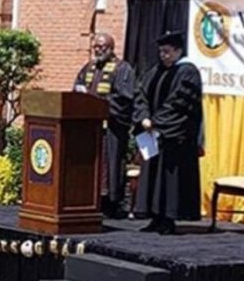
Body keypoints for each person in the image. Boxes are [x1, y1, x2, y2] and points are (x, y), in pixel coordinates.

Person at [133, 30, 203, 234]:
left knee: (170, 180)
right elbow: (141, 96)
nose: (163, 55)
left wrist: (155, 123)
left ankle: (169, 219)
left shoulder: (188, 72)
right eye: (161, 51)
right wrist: (143, 117)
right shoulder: (155, 71)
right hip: (153, 135)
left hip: (174, 137)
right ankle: (155, 217)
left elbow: (179, 103)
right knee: (152, 176)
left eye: (167, 51)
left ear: (178, 51)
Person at [74, 34, 135, 219]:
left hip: (112, 129)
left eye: (102, 47)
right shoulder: (89, 67)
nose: (98, 50)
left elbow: (124, 99)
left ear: (111, 48)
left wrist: (98, 102)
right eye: (96, 47)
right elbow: (77, 87)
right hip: (90, 130)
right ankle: (90, 201)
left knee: (111, 166)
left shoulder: (122, 69)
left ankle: (111, 204)